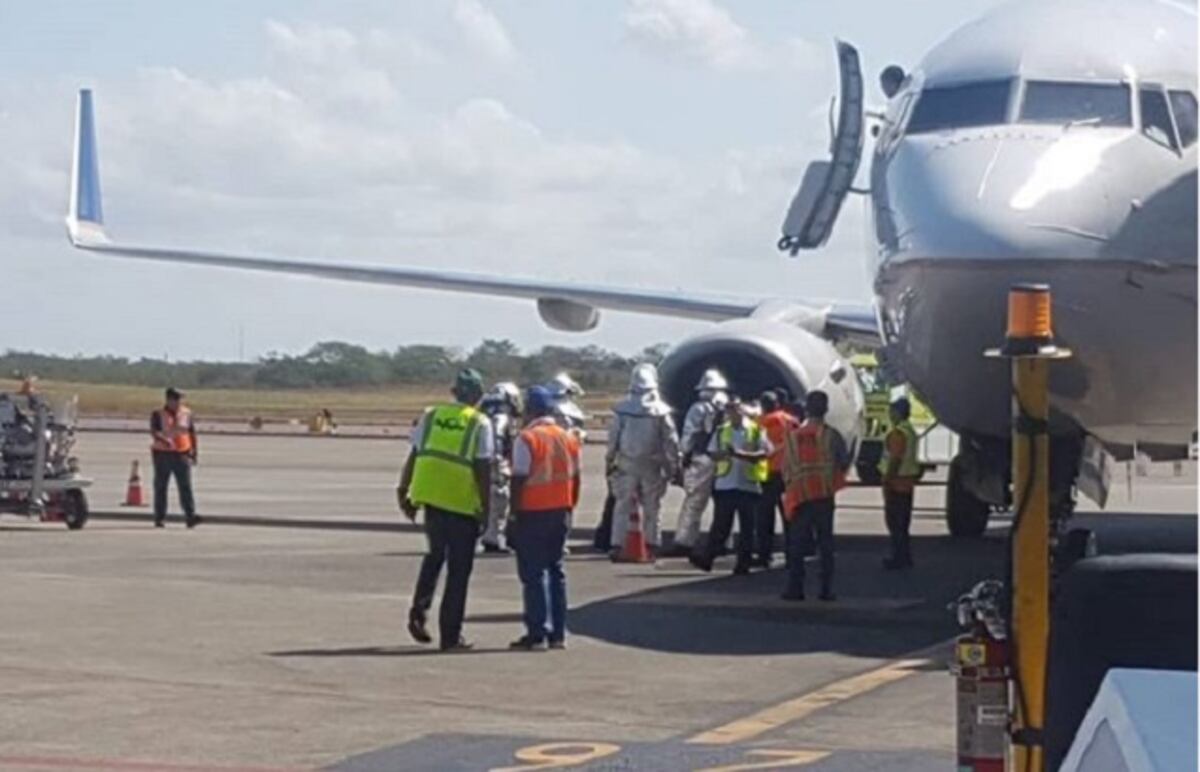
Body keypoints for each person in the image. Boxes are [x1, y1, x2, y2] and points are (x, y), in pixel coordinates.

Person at [397, 369, 493, 652]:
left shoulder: (432, 415)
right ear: (478, 396)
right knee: (458, 572)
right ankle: (450, 636)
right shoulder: (480, 423)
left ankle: (419, 610)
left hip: (431, 498)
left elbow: (415, 454)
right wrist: (488, 511)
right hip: (462, 503)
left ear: (454, 392)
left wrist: (404, 490)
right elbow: (483, 468)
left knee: (435, 556)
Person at [508, 386, 582, 651]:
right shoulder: (568, 437)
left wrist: (512, 516)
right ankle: (558, 634)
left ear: (530, 411)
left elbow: (518, 478)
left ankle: (537, 632)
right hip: (561, 510)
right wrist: (570, 505)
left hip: (533, 512)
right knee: (556, 571)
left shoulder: (527, 438)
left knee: (533, 574)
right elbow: (576, 477)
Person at [781, 390, 850, 601]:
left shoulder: (793, 437)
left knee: (797, 545)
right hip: (823, 495)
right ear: (826, 409)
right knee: (825, 545)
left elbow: (786, 468)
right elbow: (844, 461)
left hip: (800, 496)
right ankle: (825, 589)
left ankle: (795, 588)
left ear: (806, 409)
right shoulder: (831, 436)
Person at [689, 397, 772, 575]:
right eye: (729, 410)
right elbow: (712, 453)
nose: (732, 413)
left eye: (735, 409)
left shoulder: (756, 429)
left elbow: (765, 452)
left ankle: (743, 563)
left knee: (747, 528)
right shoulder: (721, 431)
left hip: (748, 484)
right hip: (725, 484)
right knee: (720, 525)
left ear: (742, 410)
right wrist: (721, 455)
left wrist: (739, 454)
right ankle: (708, 558)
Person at [606, 363, 679, 559]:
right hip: (652, 464)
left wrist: (609, 461)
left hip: (627, 463)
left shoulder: (622, 410)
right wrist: (673, 467)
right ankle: (652, 544)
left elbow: (613, 439)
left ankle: (617, 544)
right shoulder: (661, 412)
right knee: (652, 507)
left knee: (622, 505)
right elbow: (671, 441)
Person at [663, 369, 729, 558]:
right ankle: (722, 541)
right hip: (725, 459)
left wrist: (682, 457)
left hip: (703, 459)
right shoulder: (729, 406)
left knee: (694, 502)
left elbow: (689, 435)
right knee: (724, 503)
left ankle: (684, 541)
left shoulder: (699, 408)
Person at [756, 391, 800, 567]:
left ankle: (764, 555)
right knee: (790, 517)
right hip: (788, 473)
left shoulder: (760, 423)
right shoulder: (792, 421)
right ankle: (792, 554)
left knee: (764, 517)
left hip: (766, 473)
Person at [479, 382, 523, 553]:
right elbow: (497, 443)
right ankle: (491, 538)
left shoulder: (484, 416)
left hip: (487, 463)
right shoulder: (501, 419)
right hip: (497, 465)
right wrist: (498, 466)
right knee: (499, 501)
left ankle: (490, 536)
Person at [880, 397, 922, 570]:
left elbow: (895, 459)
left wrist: (888, 479)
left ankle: (898, 558)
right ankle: (904, 557)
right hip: (907, 483)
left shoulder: (898, 433)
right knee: (903, 524)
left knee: (895, 523)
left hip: (896, 483)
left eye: (891, 412)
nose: (890, 415)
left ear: (897, 413)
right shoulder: (910, 431)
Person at [150, 387, 199, 528]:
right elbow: (154, 431)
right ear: (169, 400)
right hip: (163, 454)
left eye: (180, 399)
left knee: (185, 487)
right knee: (161, 487)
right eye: (177, 399)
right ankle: (160, 518)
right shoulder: (158, 414)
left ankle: (190, 516)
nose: (179, 402)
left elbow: (191, 433)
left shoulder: (186, 413)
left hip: (182, 454)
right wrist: (164, 440)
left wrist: (194, 452)